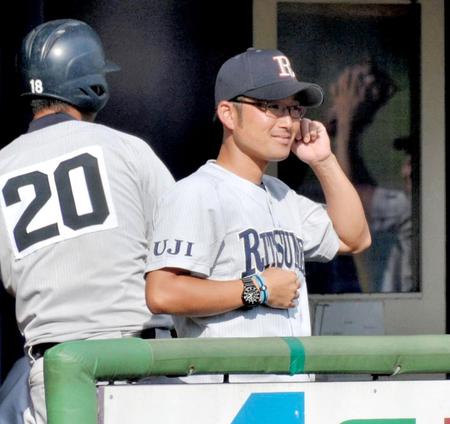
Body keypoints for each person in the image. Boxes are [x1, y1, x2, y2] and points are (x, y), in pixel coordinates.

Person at [145, 48, 371, 382]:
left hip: (288, 395)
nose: (287, 122)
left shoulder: (282, 195)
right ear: (228, 114)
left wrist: (323, 161)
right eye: (270, 106)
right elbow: (162, 293)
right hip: (227, 398)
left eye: (293, 109)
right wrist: (257, 289)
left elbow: (355, 237)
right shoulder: (196, 193)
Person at [0, 19, 174, 423]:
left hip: (56, 370)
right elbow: (179, 255)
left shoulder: (3, 164)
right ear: (94, 86)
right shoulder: (128, 150)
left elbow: (13, 278)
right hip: (137, 360)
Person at [328, 62, 414, 292]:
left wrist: (347, 123)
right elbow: (362, 191)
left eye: (414, 159)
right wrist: (344, 126)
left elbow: (354, 201)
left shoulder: (411, 211)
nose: (406, 170)